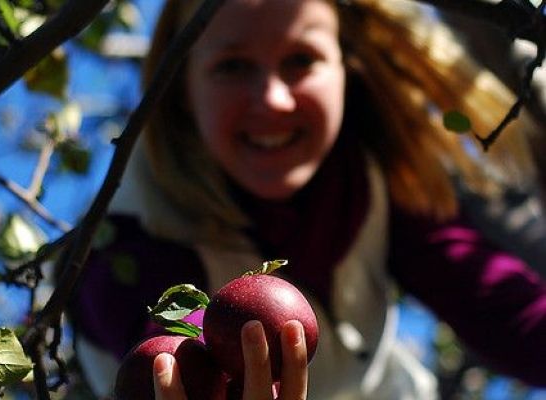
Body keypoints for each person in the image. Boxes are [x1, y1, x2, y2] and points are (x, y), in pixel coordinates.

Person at [68, 0, 546, 399]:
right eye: (232, 66)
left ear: (346, 70)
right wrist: (196, 374)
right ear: (183, 93)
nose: (273, 99)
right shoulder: (131, 227)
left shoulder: (376, 184)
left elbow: (503, 306)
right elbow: (163, 331)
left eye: (301, 60)